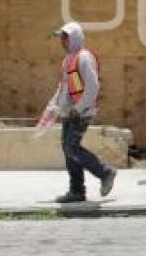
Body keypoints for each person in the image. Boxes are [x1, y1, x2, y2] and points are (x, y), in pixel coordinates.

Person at [47, 22, 117, 203]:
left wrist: (78, 109)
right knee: (68, 149)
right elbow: (63, 87)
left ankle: (105, 172)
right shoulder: (68, 59)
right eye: (61, 38)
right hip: (70, 112)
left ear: (74, 38)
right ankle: (77, 191)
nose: (61, 41)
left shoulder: (84, 57)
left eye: (65, 37)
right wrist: (54, 106)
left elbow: (93, 87)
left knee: (71, 147)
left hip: (81, 112)